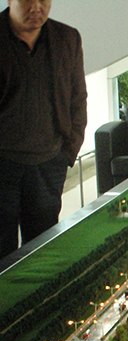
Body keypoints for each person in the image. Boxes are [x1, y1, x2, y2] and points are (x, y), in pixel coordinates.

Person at [0, 0, 87, 258]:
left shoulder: (67, 38)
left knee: (41, 250)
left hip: (48, 164)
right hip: (2, 165)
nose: (37, 7)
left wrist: (67, 152)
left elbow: (77, 98)